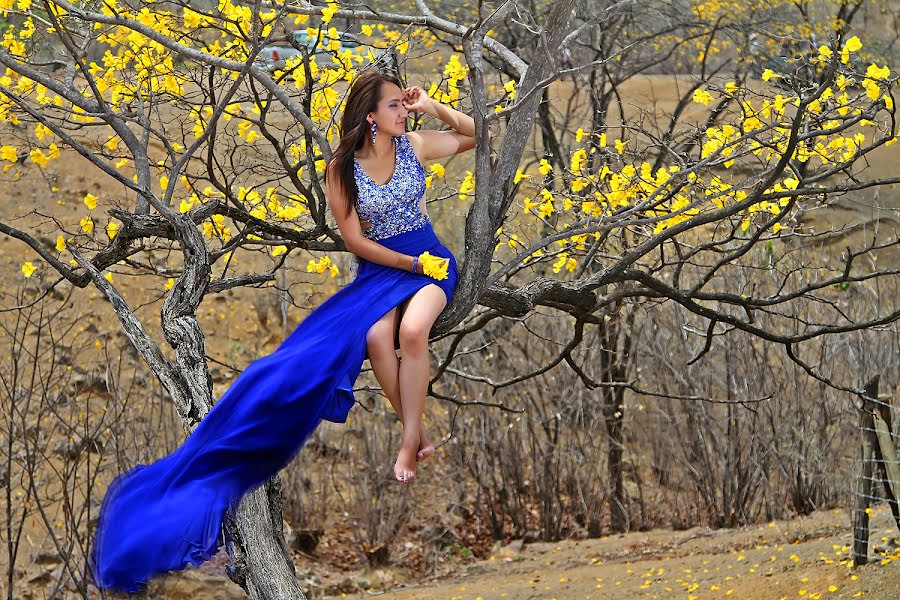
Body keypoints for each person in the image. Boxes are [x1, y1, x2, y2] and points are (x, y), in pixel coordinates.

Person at [88, 68, 482, 593]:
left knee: (412, 334)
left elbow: (475, 135)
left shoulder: (413, 144)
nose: (401, 112)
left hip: (432, 260)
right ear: (370, 116)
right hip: (386, 269)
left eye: (403, 106)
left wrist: (431, 104)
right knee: (369, 339)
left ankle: (411, 438)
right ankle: (414, 428)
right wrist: (407, 269)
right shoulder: (343, 169)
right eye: (394, 106)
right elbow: (356, 243)